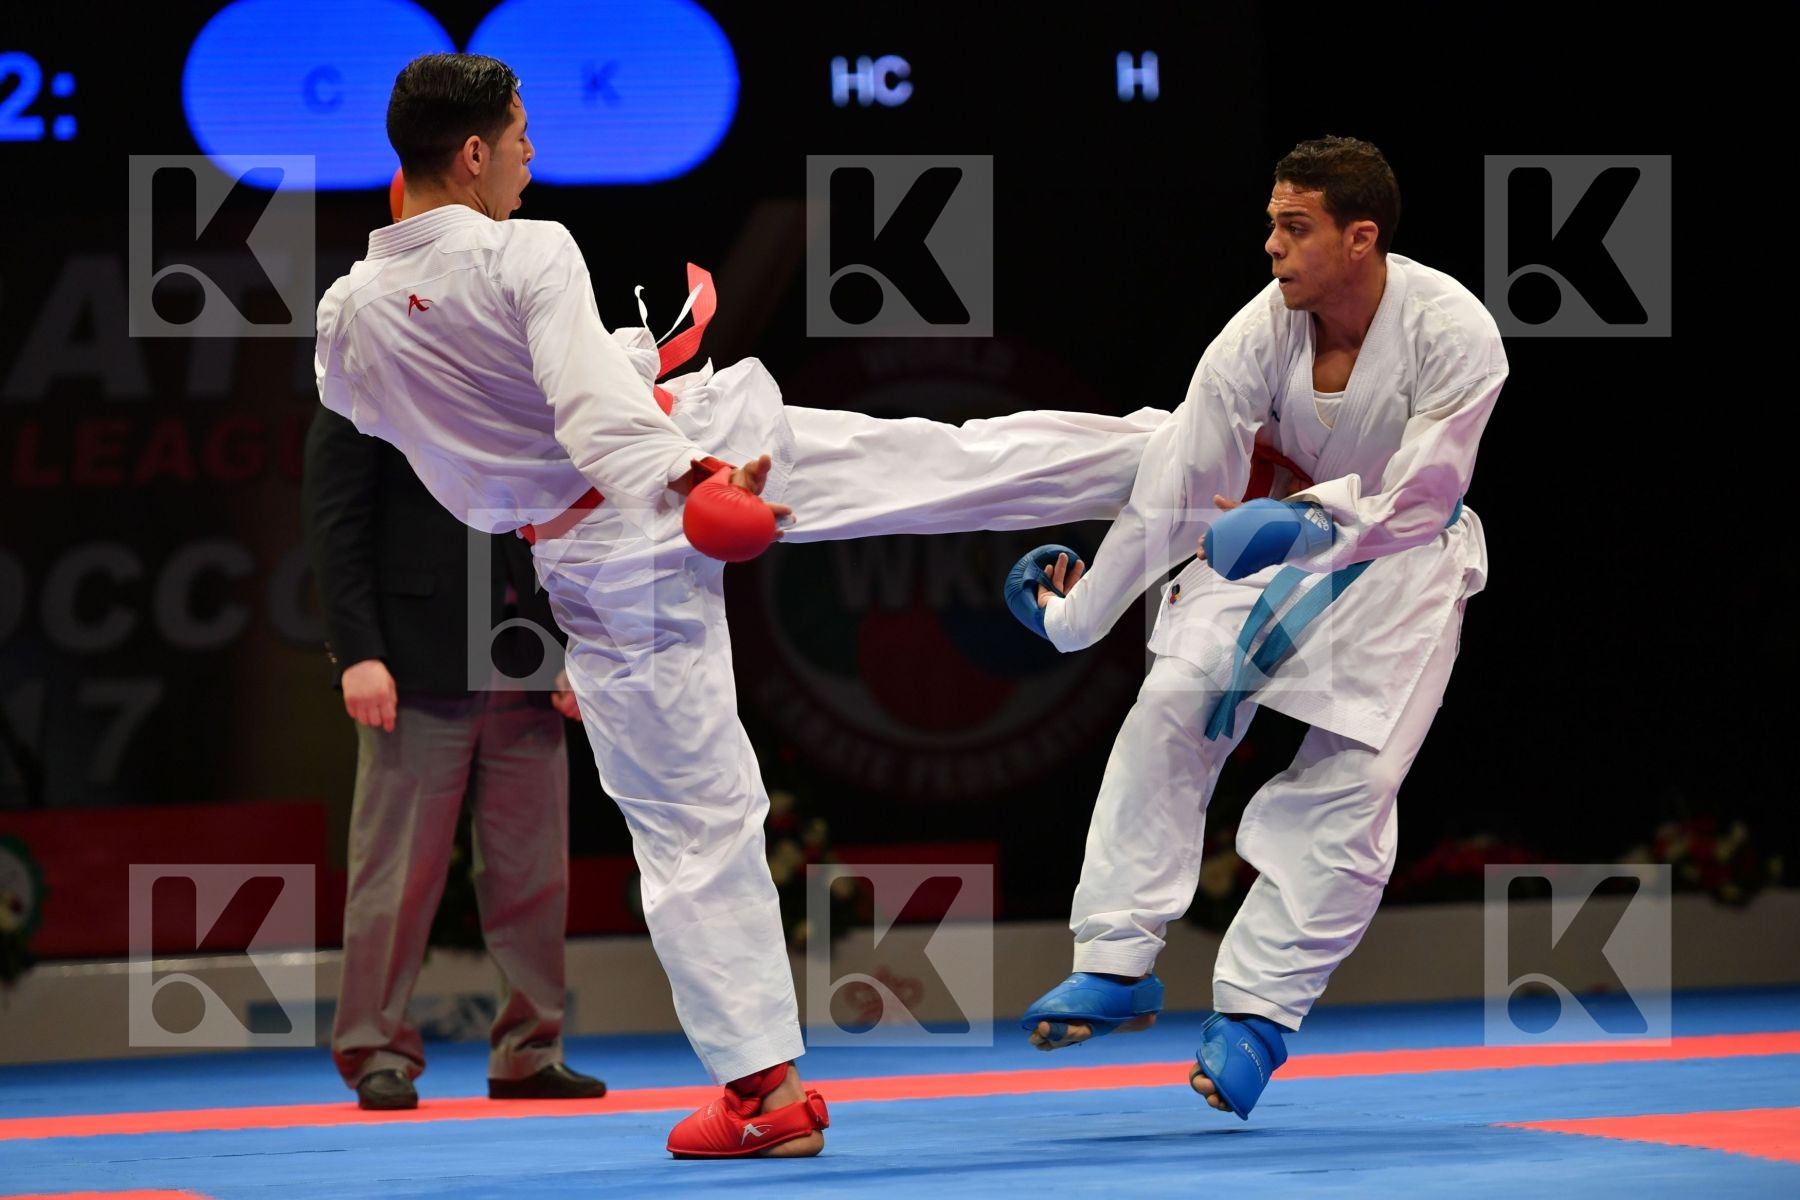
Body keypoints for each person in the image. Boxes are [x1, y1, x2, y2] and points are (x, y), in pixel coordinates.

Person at [314, 52, 1166, 1157]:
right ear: (472, 153)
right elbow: (590, 418)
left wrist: (630, 369)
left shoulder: (346, 315)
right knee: (949, 466)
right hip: (687, 463)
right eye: (521, 133)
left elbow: (436, 431)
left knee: (690, 825)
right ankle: (1194, 450)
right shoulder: (530, 251)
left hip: (594, 552)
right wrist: (690, 474)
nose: (534, 151)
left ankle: (764, 1097)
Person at [1008, 136, 1506, 1120]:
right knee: (1172, 704)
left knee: (1351, 784)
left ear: (1360, 238)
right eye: (1271, 223)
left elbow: (1427, 488)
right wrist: (1078, 617)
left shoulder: (1456, 332)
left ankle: (1257, 1019)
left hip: (1401, 564)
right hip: (1266, 547)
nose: (1270, 245)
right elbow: (1174, 488)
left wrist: (1317, 519)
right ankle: (1115, 960)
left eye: (1294, 226)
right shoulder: (1257, 333)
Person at [303, 404, 605, 1111]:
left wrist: (573, 648)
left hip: (526, 658)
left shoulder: (522, 382)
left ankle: (531, 1051)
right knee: (397, 873)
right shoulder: (368, 380)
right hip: (413, 659)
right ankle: (375, 1047)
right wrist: (358, 653)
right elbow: (333, 524)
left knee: (534, 873)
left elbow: (570, 518)